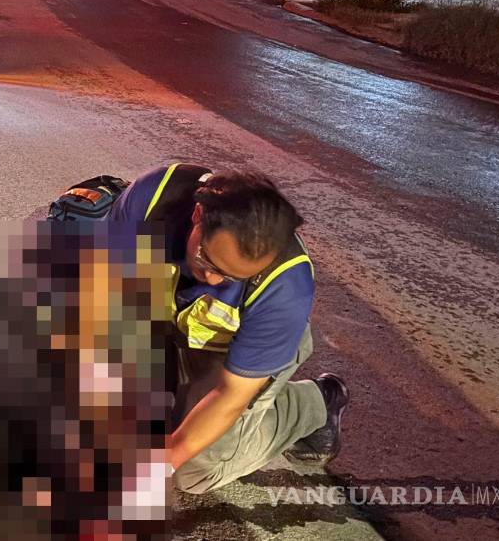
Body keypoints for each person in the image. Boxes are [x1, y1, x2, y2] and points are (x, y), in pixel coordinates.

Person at [104, 163, 349, 494]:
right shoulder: (155, 197)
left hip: (237, 351)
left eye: (230, 276)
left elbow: (230, 395)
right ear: (198, 215)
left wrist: (159, 465)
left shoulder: (285, 288)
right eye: (207, 261)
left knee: (192, 468)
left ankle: (314, 403)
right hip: (176, 320)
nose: (213, 279)